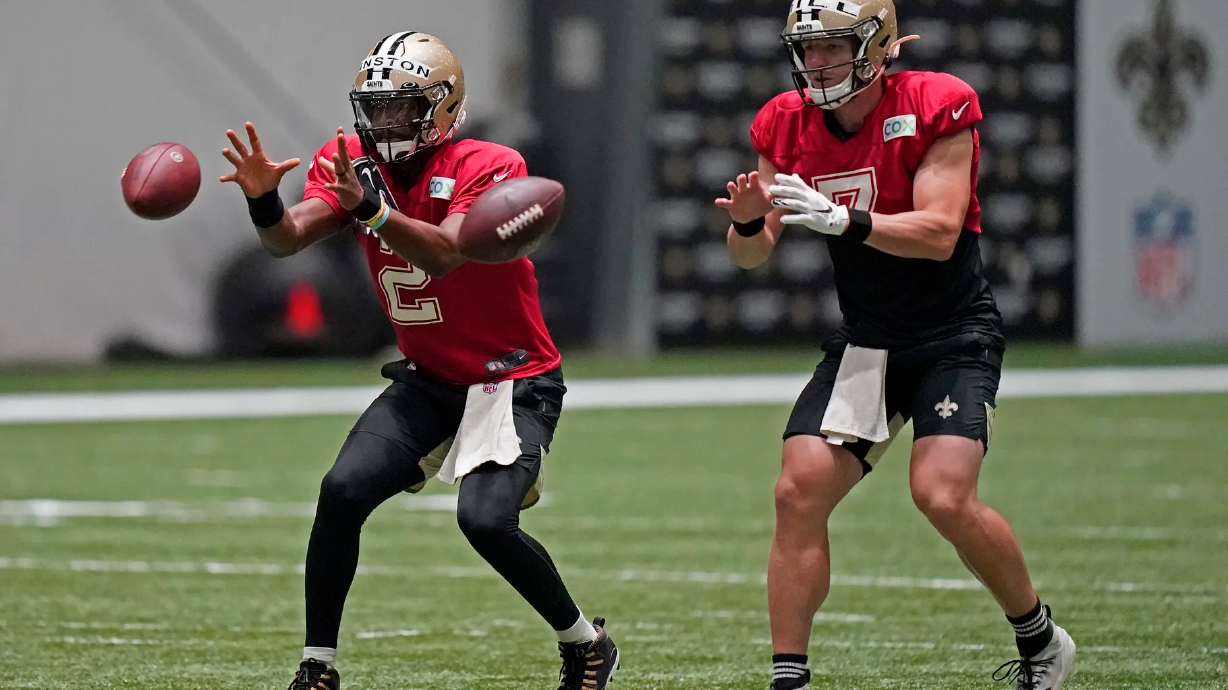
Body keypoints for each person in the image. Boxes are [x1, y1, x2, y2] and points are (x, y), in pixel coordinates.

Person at [219, 32, 618, 690]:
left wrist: (371, 210)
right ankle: (317, 668)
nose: (387, 124)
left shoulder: (488, 162)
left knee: (485, 521)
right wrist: (264, 199)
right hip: (430, 379)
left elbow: (443, 252)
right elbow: (286, 241)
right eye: (376, 109)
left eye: (403, 108)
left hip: (511, 378)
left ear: (444, 108)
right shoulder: (351, 161)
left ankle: (585, 643)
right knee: (341, 491)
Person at [715, 2, 1076, 688]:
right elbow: (752, 256)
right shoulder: (783, 122)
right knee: (798, 492)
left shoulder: (938, 103)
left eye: (832, 46)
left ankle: (1040, 638)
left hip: (951, 335)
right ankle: (788, 677)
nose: (816, 61)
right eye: (808, 47)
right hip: (870, 343)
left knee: (941, 495)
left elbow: (940, 231)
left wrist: (844, 220)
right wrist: (745, 223)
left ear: (877, 48)